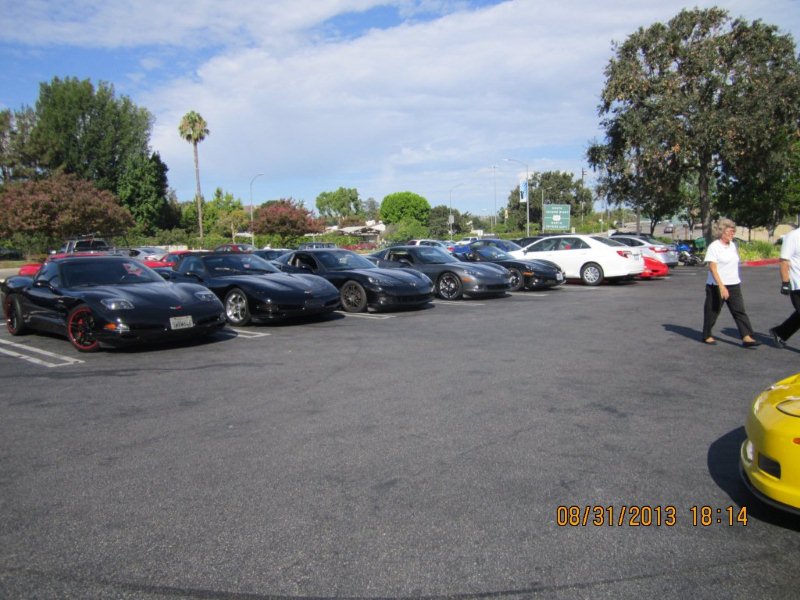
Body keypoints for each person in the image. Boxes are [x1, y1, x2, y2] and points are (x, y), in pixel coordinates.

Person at [701, 218, 760, 347]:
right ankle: (707, 335)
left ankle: (746, 336)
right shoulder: (714, 247)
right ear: (722, 232)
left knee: (739, 310)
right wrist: (722, 287)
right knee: (713, 311)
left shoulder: (732, 245)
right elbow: (712, 268)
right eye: (730, 231)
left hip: (734, 284)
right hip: (716, 285)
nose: (733, 234)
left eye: (734, 231)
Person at [769, 227, 800, 348]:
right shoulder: (793, 236)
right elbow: (784, 261)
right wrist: (785, 283)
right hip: (797, 283)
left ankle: (779, 332)